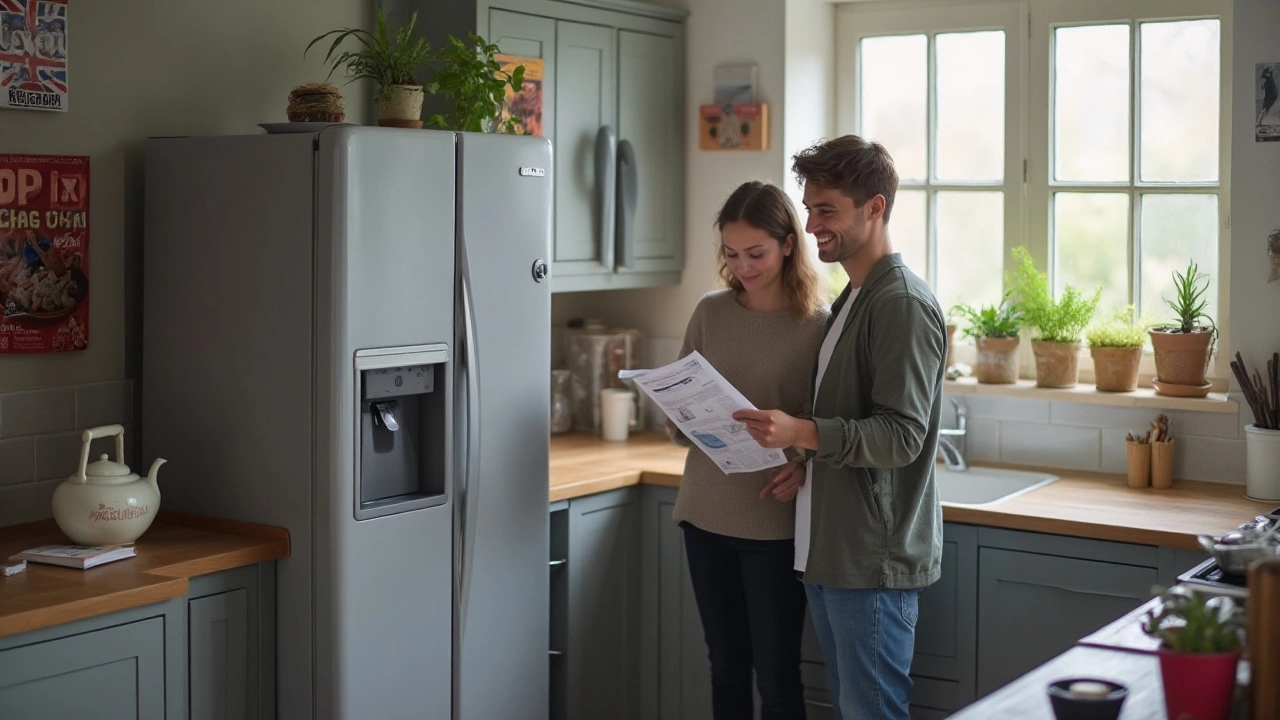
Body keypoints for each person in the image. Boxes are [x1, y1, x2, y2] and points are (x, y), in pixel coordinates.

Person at [732, 136, 946, 720]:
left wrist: (801, 433)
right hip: (832, 550)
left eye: (826, 209)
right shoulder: (854, 297)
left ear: (875, 207)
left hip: (870, 559)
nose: (811, 223)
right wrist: (805, 456)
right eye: (809, 207)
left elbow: (902, 436)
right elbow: (851, 418)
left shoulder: (899, 303)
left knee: (871, 713)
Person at [668, 180, 829, 720]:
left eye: (756, 253)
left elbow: (827, 425)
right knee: (726, 666)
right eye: (732, 254)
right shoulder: (710, 313)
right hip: (705, 511)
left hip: (773, 522)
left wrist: (805, 465)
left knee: (778, 677)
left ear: (788, 244)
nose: (744, 266)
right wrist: (680, 414)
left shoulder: (818, 327)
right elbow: (678, 414)